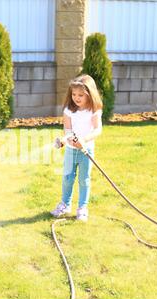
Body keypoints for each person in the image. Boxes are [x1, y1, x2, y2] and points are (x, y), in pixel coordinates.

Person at [51, 74, 103, 222]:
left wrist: (83, 140)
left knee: (84, 180)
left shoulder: (93, 110)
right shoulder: (68, 110)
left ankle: (82, 208)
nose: (76, 97)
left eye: (81, 95)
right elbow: (68, 130)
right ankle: (65, 205)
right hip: (70, 150)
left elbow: (98, 130)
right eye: (74, 94)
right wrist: (63, 140)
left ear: (90, 94)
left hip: (86, 152)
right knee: (67, 178)